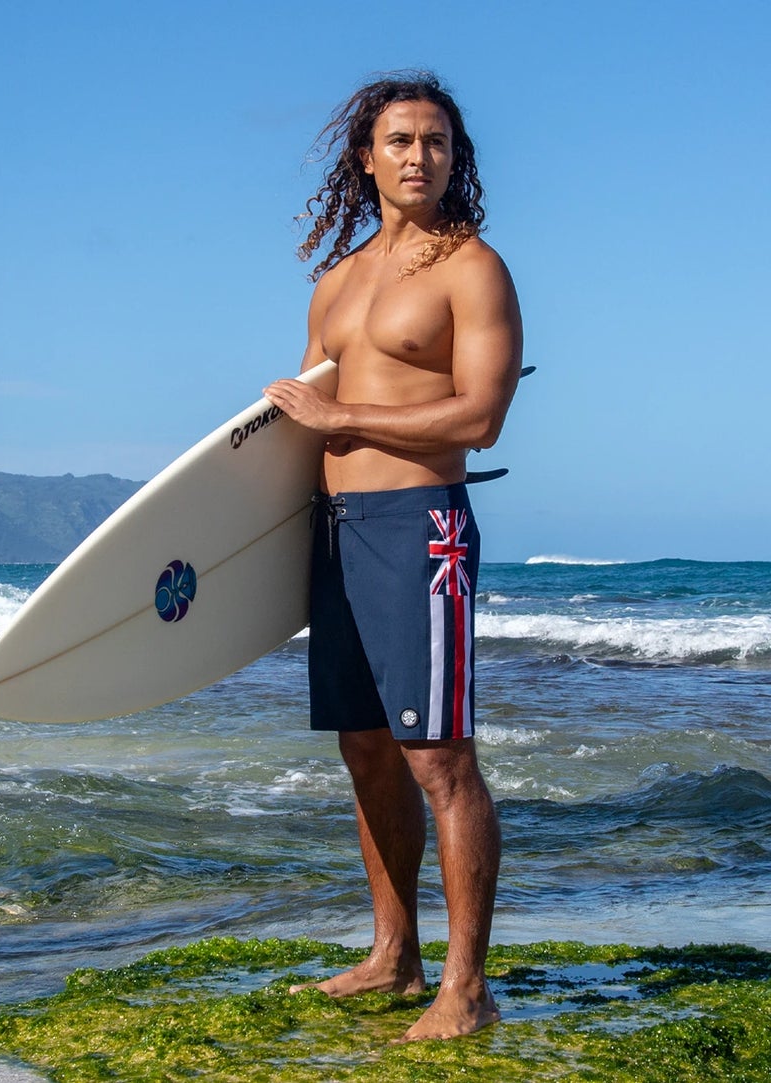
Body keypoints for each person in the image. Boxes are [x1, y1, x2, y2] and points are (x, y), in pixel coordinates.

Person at [262, 70, 523, 1043]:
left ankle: (467, 987)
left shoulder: (472, 268)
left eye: (439, 143)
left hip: (422, 525)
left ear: (458, 159)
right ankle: (393, 956)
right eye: (403, 141)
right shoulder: (336, 282)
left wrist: (342, 415)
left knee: (438, 757)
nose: (421, 158)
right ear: (365, 157)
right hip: (336, 534)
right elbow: (301, 431)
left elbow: (482, 416)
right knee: (365, 748)